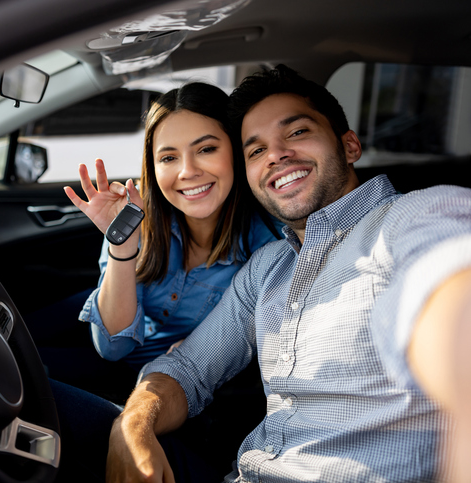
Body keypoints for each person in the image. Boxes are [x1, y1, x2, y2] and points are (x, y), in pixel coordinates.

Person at [52, 64, 471, 482]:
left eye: (297, 132)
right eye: (256, 150)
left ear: (349, 145)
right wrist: (133, 424)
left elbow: (451, 286)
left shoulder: (410, 218)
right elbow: (188, 369)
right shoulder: (269, 267)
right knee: (33, 392)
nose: (275, 155)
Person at [61, 82, 282, 399]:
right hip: (123, 365)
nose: (187, 171)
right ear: (152, 166)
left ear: (235, 149)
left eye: (206, 150)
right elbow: (112, 347)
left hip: (175, 393)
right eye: (168, 158)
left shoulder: (268, 247)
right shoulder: (135, 217)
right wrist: (122, 245)